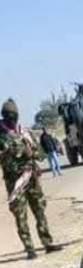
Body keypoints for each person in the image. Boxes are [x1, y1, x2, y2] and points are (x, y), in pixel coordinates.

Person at [0, 99, 62, 259]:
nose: (11, 119)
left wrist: (31, 152)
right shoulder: (1, 135)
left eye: (13, 115)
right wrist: (10, 152)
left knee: (39, 211)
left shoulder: (24, 132)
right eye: (8, 115)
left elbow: (41, 154)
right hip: (15, 182)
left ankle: (47, 243)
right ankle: (29, 248)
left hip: (32, 177)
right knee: (20, 215)